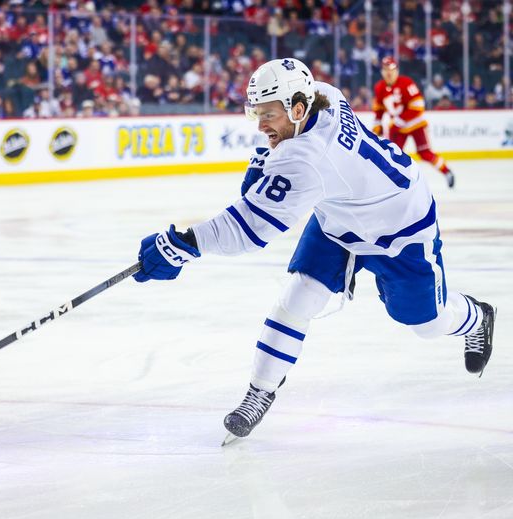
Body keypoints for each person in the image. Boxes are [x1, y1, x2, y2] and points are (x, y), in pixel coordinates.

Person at [132, 58, 496, 443]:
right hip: (340, 218)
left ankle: (477, 317)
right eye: (256, 113)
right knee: (298, 297)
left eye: (267, 114)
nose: (260, 125)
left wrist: (182, 245)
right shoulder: (325, 96)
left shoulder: (307, 160)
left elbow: (248, 230)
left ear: (297, 109)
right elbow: (283, 158)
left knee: (427, 324)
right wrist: (268, 159)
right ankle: (260, 391)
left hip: (401, 230)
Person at [372, 57, 456, 188]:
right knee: (392, 155)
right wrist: (377, 125)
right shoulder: (379, 88)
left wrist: (399, 120)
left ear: (397, 71)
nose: (389, 73)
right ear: (382, 72)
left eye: (392, 70)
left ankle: (447, 172)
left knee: (425, 153)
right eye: (385, 70)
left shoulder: (406, 83)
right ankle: (392, 184)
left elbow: (418, 106)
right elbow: (379, 109)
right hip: (398, 128)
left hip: (415, 124)